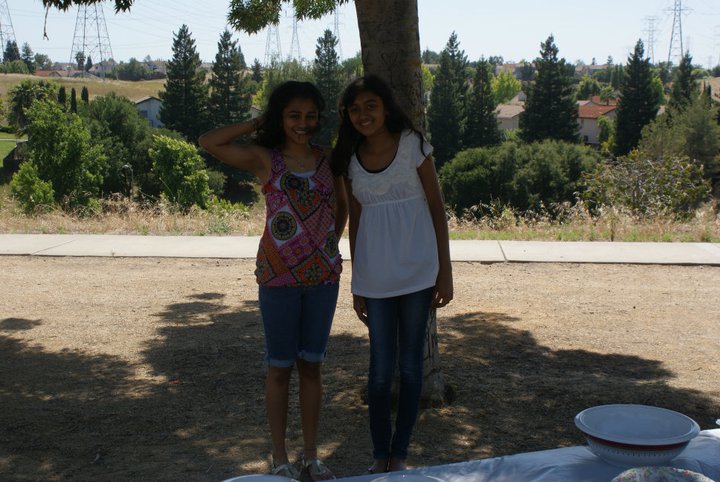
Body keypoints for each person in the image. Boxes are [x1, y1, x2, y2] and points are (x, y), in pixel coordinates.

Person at [199, 81, 346, 481]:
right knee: (280, 368)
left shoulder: (328, 158)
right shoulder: (267, 159)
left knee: (312, 367)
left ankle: (311, 457)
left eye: (310, 116)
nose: (303, 123)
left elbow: (342, 207)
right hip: (277, 279)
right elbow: (209, 141)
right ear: (280, 117)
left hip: (323, 278)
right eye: (293, 115)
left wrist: (325, 245)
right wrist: (258, 122)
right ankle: (280, 460)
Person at [331, 75, 453, 474]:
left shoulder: (413, 145)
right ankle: (379, 454)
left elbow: (436, 208)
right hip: (376, 279)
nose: (363, 115)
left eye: (371, 106)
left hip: (419, 273)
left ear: (385, 107)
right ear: (347, 116)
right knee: (380, 372)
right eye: (355, 109)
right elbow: (357, 223)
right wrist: (357, 282)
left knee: (412, 368)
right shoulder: (350, 159)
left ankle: (400, 453)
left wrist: (445, 271)